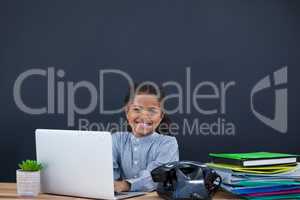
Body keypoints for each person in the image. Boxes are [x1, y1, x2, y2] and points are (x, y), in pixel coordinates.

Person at [112, 83, 179, 192]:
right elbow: (107, 173)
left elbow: (157, 176)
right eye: (137, 109)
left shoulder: (168, 143)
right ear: (127, 112)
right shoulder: (116, 140)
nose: (144, 116)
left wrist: (126, 185)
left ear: (161, 116)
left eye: (152, 111)